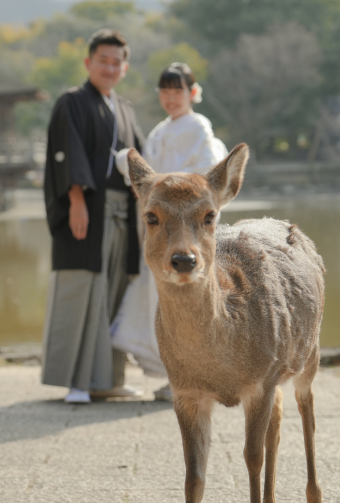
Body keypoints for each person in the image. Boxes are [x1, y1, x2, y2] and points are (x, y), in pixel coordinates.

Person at [111, 62, 229, 401]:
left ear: (192, 93)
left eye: (177, 91)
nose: (170, 98)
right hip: (161, 234)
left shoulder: (198, 126)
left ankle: (191, 374)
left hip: (185, 230)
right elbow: (147, 174)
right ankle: (172, 373)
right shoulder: (161, 131)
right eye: (165, 91)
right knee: (159, 300)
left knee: (189, 302)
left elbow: (206, 175)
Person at [41, 29, 146, 404]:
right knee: (83, 291)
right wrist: (76, 200)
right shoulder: (72, 103)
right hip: (88, 211)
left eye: (116, 62)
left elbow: (139, 165)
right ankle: (77, 381)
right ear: (88, 62)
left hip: (122, 216)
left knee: (115, 295)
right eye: (103, 60)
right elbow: (67, 152)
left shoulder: (126, 109)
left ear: (125, 67)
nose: (110, 67)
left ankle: (107, 379)